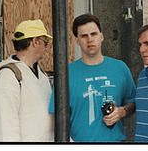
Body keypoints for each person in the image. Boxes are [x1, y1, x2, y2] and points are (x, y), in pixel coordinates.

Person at [49, 13, 136, 142]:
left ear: (101, 36)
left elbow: (133, 102)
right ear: (77, 41)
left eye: (93, 34)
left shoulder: (120, 68)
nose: (89, 39)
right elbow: (56, 118)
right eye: (84, 36)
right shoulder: (66, 74)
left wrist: (121, 111)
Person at [0, 20, 54, 142]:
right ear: (35, 42)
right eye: (45, 42)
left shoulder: (42, 74)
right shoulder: (8, 77)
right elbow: (5, 131)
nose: (46, 46)